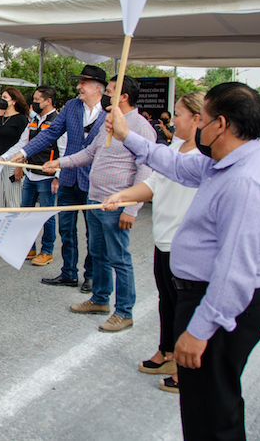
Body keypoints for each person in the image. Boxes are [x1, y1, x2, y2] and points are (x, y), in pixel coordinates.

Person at [105, 82, 260, 440]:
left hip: (217, 301)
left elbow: (235, 272)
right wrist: (129, 136)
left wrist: (200, 331)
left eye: (201, 119)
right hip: (206, 295)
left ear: (220, 125)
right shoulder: (229, 162)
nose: (195, 127)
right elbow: (178, 166)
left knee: (211, 411)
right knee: (208, 402)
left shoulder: (245, 182)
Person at [102, 91, 205, 393]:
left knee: (186, 307)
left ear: (197, 119)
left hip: (184, 245)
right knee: (168, 301)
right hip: (163, 239)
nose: (172, 119)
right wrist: (122, 196)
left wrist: (125, 134)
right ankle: (168, 352)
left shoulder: (204, 157)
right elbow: (155, 183)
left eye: (179, 113)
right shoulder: (176, 146)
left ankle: (188, 370)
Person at [42, 75, 156, 332]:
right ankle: (100, 299)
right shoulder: (108, 122)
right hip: (96, 201)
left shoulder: (139, 126)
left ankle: (124, 312)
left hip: (117, 206)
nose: (107, 94)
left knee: (119, 259)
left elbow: (145, 170)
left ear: (123, 97)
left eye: (112, 91)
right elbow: (89, 154)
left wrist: (131, 208)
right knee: (100, 255)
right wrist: (60, 163)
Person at [10, 65, 107, 291]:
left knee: (93, 232)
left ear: (97, 87)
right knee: (66, 229)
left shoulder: (110, 111)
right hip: (68, 178)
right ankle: (69, 273)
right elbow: (51, 133)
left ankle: (91, 276)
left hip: (94, 181)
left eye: (83, 83)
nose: (78, 87)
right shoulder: (72, 107)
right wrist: (23, 153)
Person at [19, 85, 60, 266]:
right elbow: (23, 143)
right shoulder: (33, 120)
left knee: (46, 216)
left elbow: (64, 151)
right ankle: (30, 247)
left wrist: (58, 176)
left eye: (37, 100)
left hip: (46, 177)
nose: (33, 103)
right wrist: (18, 162)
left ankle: (47, 251)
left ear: (48, 101)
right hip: (30, 174)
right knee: (25, 212)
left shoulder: (58, 121)